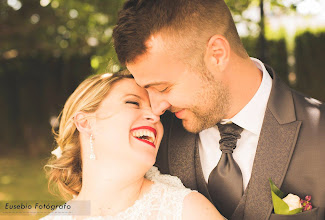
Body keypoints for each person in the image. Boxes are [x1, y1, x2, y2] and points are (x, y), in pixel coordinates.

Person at [112, 0, 325, 219]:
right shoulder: (147, 140)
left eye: (163, 87)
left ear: (217, 54)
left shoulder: (319, 132)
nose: (155, 109)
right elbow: (83, 207)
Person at [40, 71, 223, 220]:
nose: (155, 117)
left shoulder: (187, 211)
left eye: (153, 109)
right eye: (133, 103)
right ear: (86, 123)